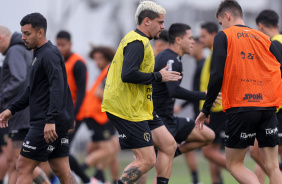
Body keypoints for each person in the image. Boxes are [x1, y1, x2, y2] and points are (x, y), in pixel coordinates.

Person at [196, 1, 282, 183]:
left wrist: (206, 108)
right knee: (273, 166)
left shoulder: (224, 36)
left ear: (226, 16)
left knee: (234, 164)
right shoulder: (264, 37)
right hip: (268, 107)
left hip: (242, 107)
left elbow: (217, 74)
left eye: (221, 22)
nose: (222, 26)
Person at [101, 1, 182, 184]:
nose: (163, 27)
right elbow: (128, 74)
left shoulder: (140, 40)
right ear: (146, 21)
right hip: (126, 108)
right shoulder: (137, 42)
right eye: (160, 22)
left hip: (140, 106)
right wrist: (158, 76)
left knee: (169, 145)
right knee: (147, 159)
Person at [0, 13, 77, 184]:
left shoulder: (48, 54)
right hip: (53, 122)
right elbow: (32, 90)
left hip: (45, 124)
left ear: (40, 33)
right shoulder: (39, 53)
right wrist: (12, 109)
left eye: (27, 33)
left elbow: (58, 88)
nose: (23, 38)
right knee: (61, 169)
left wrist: (50, 120)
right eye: (22, 33)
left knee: (23, 166)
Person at [153, 23, 215, 183]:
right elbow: (174, 91)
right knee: (147, 165)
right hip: (159, 122)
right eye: (190, 38)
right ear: (179, 40)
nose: (193, 42)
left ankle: (173, 152)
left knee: (208, 135)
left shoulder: (174, 58)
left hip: (170, 118)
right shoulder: (170, 59)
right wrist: (204, 95)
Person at [0, 25, 51, 184]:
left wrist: (2, 98)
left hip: (22, 115)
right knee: (13, 161)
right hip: (24, 114)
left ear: (1, 38)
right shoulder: (24, 49)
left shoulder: (14, 51)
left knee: (23, 163)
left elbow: (19, 78)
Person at [247, 9, 282, 184]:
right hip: (273, 108)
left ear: (260, 25)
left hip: (276, 108)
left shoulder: (272, 44)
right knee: (261, 154)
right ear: (277, 24)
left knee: (260, 153)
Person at [56, 30, 92, 184]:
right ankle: (84, 179)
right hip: (62, 114)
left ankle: (87, 180)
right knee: (59, 150)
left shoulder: (78, 63)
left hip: (75, 115)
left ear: (70, 44)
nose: (60, 48)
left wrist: (73, 117)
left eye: (63, 45)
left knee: (62, 151)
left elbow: (82, 92)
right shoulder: (58, 61)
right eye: (58, 44)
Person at [81, 46, 120, 184]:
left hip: (100, 116)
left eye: (99, 59)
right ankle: (79, 171)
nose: (97, 62)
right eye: (95, 59)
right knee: (108, 150)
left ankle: (102, 178)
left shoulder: (108, 70)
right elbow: (100, 93)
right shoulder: (111, 69)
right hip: (95, 115)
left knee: (113, 148)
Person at [199, 22, 227, 184]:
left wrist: (206, 109)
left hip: (218, 110)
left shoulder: (217, 53)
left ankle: (244, 173)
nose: (201, 40)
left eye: (204, 36)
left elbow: (216, 81)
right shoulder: (211, 54)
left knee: (208, 152)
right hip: (214, 110)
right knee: (212, 153)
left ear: (214, 35)